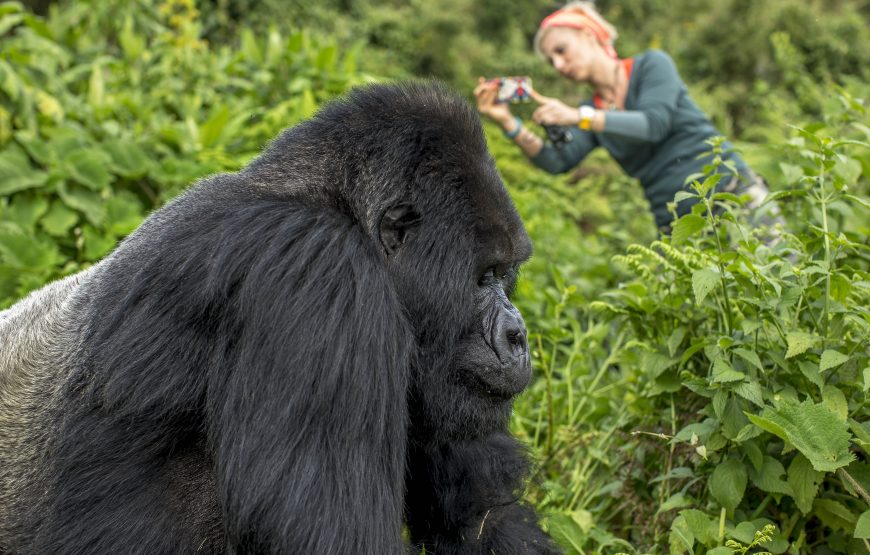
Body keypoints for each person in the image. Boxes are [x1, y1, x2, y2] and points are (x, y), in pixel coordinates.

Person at [473, 1, 777, 233]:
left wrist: (580, 116)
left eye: (562, 50)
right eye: (552, 61)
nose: (559, 64)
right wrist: (508, 122)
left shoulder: (651, 67)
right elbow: (557, 161)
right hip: (678, 223)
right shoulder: (588, 110)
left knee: (782, 287)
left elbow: (653, 124)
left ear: (590, 36)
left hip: (733, 195)